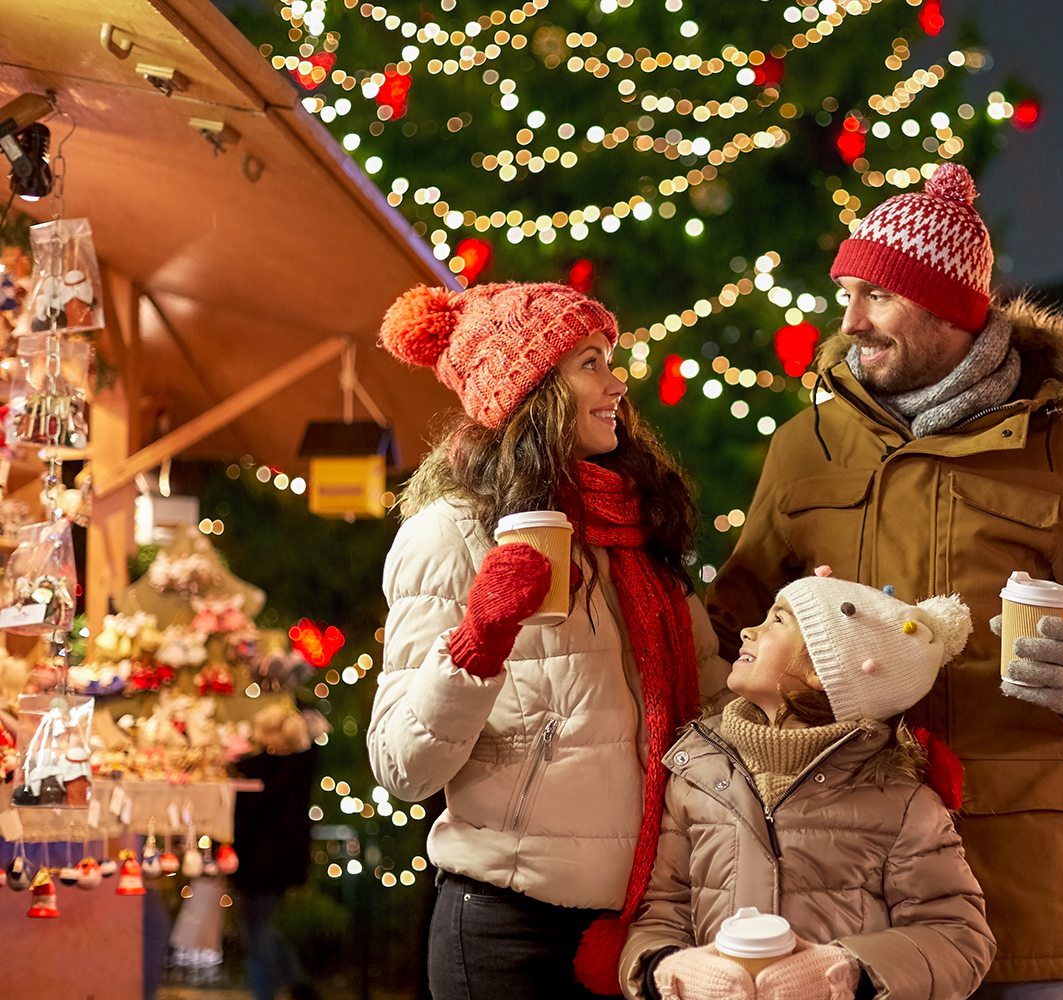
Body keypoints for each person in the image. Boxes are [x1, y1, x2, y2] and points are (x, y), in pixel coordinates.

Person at [706, 163, 1063, 997]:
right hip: (838, 885)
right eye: (846, 294)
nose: (849, 321)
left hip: (1006, 882)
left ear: (949, 309)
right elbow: (728, 631)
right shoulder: (803, 447)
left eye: (875, 297)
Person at [368, 282, 729, 1000]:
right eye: (589, 363)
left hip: (649, 924)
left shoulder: (638, 526)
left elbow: (711, 713)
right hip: (509, 929)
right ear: (531, 392)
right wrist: (481, 639)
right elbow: (400, 765)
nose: (616, 383)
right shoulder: (450, 534)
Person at [621, 571, 996, 1000]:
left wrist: (848, 972)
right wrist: (666, 971)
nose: (748, 630)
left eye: (776, 621)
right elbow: (663, 913)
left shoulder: (902, 802)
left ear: (825, 668)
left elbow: (958, 937)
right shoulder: (696, 775)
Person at [232, 702, 321, 1000]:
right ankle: (298, 984)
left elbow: (246, 817)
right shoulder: (301, 768)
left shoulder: (257, 769)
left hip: (258, 863)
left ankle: (272, 992)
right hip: (279, 864)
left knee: (256, 934)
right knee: (262, 929)